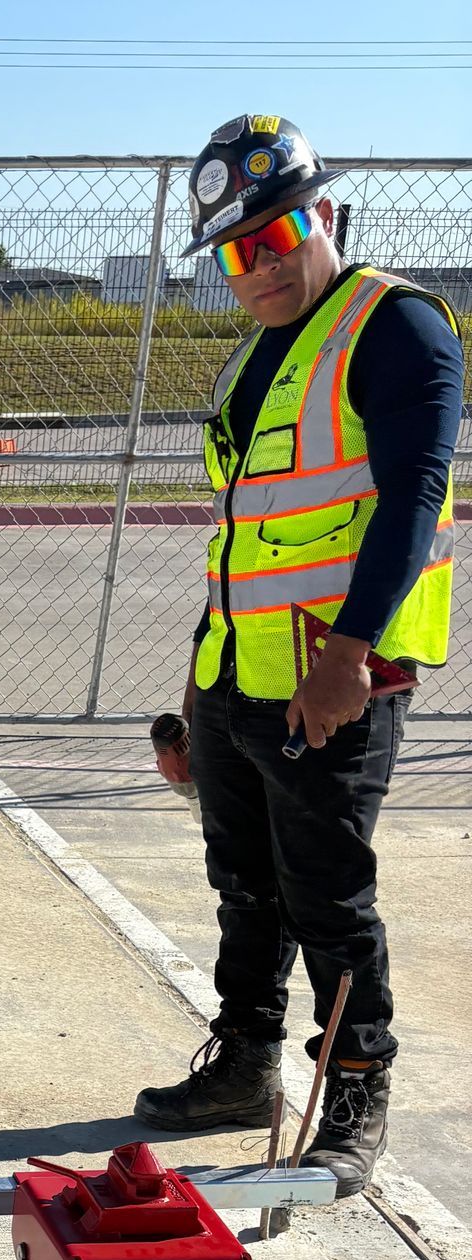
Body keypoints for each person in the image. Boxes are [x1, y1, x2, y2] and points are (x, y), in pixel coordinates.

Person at [136, 114, 462, 1194]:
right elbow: (242, 537)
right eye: (236, 251)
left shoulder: (396, 327)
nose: (260, 265)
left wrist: (350, 658)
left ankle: (358, 1078)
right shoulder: (255, 358)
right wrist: (197, 691)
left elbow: (412, 498)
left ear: (321, 215)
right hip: (241, 679)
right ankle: (245, 1060)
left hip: (333, 681)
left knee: (327, 892)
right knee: (245, 884)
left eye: (276, 236)